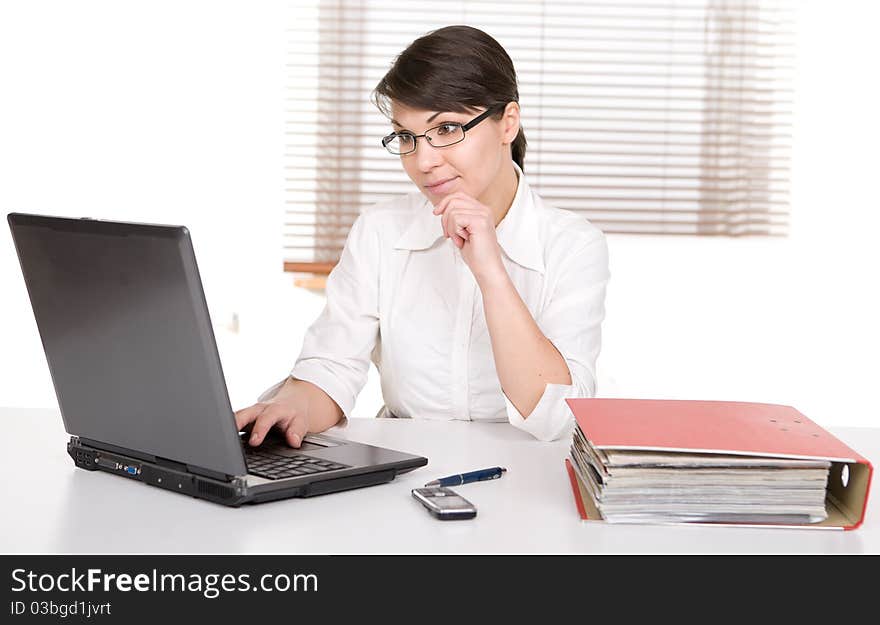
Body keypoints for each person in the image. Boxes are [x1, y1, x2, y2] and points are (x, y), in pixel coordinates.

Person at [235, 25, 609, 446]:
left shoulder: (573, 245)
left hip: (528, 478)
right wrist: (291, 407)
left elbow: (558, 418)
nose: (423, 161)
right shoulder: (379, 231)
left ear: (508, 124)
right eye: (406, 137)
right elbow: (332, 367)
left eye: (447, 129)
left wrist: (491, 273)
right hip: (406, 468)